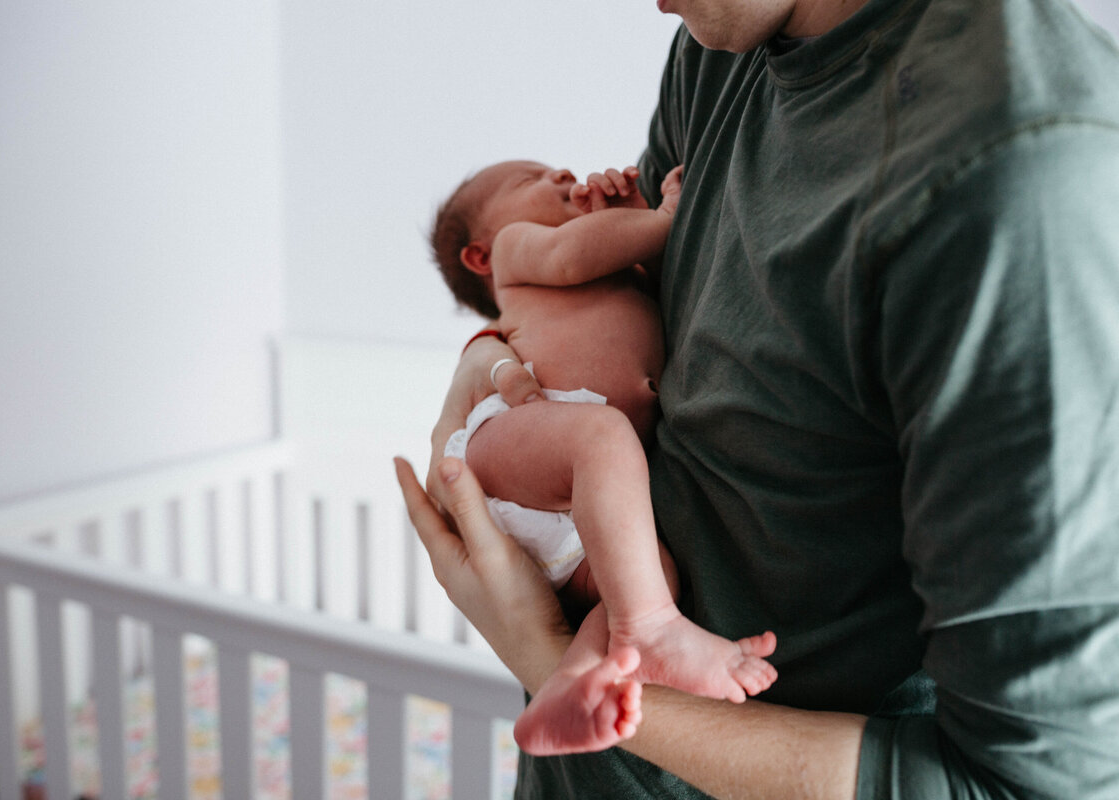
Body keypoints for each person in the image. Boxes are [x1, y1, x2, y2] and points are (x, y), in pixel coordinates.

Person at [397, 0, 1119, 796]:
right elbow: (602, 308)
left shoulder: (1017, 180)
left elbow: (1027, 785)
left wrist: (541, 652)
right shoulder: (722, 47)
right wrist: (485, 359)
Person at [428, 159, 776, 755]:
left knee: (647, 573)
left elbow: (650, 270)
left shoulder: (618, 267)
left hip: (573, 495)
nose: (562, 171)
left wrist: (632, 215)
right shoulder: (519, 252)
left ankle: (581, 678)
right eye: (531, 179)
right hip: (517, 440)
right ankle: (656, 629)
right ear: (480, 257)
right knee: (603, 437)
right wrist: (665, 217)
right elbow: (570, 255)